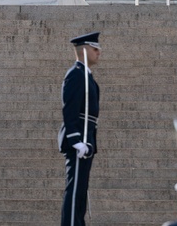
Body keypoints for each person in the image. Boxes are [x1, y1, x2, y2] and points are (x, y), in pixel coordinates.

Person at [58, 32, 100, 226]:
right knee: (74, 191)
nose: (98, 52)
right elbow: (70, 109)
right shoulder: (76, 74)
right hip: (79, 142)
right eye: (95, 48)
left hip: (86, 140)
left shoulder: (86, 76)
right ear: (84, 50)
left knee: (80, 191)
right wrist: (75, 140)